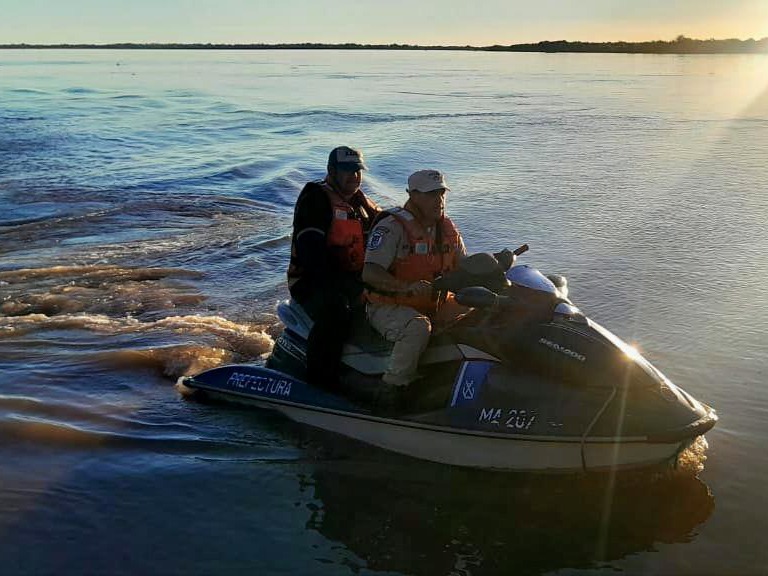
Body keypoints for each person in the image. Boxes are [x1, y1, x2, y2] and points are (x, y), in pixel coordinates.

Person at [362, 169, 468, 389]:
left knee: (481, 312)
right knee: (417, 328)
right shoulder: (391, 228)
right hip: (389, 306)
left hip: (434, 302)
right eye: (431, 195)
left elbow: (464, 266)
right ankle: (393, 388)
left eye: (441, 193)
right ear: (412, 195)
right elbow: (370, 272)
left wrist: (491, 266)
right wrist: (406, 287)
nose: (439, 200)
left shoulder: (447, 229)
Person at [287, 146, 380, 388]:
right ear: (331, 171)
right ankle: (319, 380)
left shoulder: (362, 205)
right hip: (312, 282)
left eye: (358, 170)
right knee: (337, 311)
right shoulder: (315, 198)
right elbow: (311, 254)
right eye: (348, 170)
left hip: (354, 279)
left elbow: (389, 226)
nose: (355, 176)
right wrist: (348, 288)